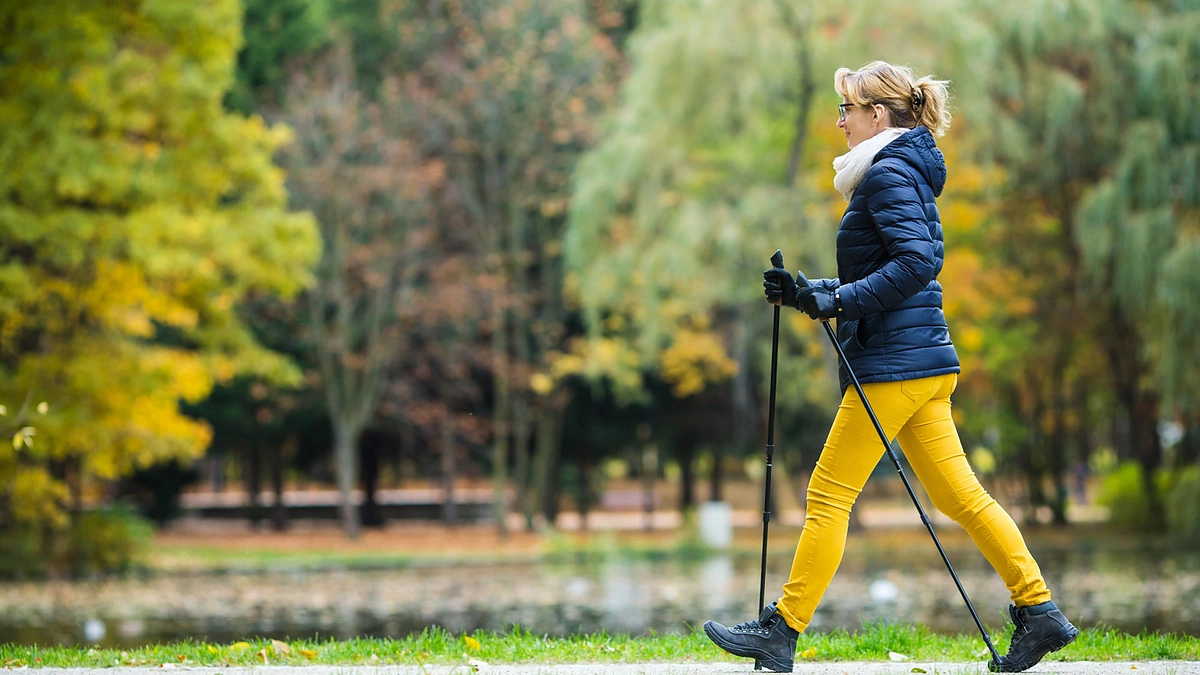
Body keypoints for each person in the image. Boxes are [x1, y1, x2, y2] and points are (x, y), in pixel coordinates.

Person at [701, 61, 1079, 674]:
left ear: (878, 114)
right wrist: (809, 292)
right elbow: (884, 270)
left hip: (895, 365)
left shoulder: (887, 173)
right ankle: (1040, 612)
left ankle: (782, 630)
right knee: (962, 498)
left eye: (847, 108)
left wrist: (839, 299)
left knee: (827, 495)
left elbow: (916, 262)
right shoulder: (898, 169)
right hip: (920, 360)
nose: (839, 120)